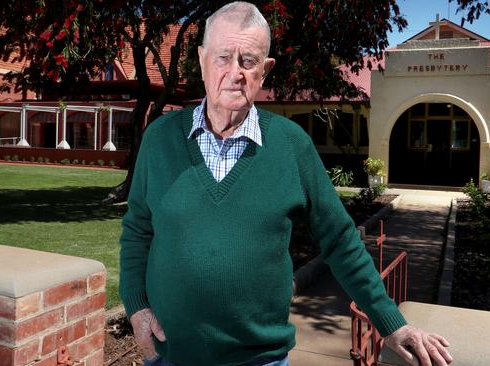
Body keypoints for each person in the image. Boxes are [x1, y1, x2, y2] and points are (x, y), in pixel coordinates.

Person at [119, 2, 453, 366]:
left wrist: (392, 325)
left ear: (266, 70)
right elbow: (138, 230)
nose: (235, 73)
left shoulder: (291, 145)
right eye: (222, 58)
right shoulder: (159, 139)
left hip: (260, 360)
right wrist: (136, 305)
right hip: (170, 357)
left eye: (248, 61)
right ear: (201, 59)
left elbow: (341, 240)